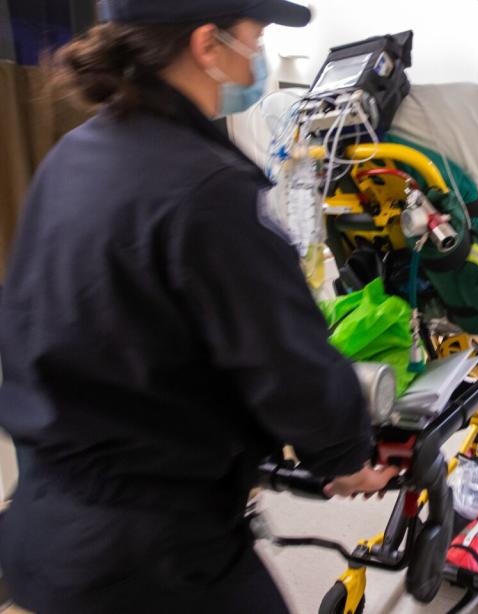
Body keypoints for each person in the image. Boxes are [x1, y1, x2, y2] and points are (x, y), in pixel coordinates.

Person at [0, 1, 398, 612]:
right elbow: (288, 361)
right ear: (208, 46)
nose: (259, 56)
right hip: (154, 556)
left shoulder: (71, 158)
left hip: (45, 528)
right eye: (256, 35)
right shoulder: (210, 187)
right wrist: (343, 454)